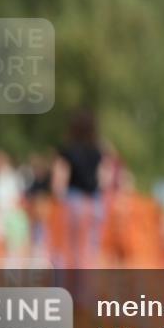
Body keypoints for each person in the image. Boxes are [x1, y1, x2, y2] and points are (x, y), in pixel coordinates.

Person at [53, 109, 106, 266]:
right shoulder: (98, 150)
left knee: (69, 246)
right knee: (90, 249)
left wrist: (58, 198)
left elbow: (59, 179)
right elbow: (103, 179)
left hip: (73, 200)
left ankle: (69, 285)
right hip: (94, 202)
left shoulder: (67, 149)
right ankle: (85, 287)